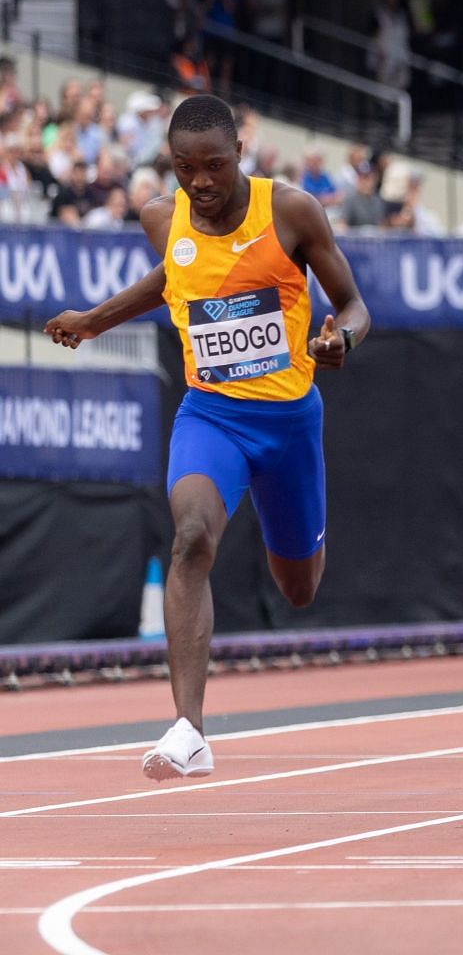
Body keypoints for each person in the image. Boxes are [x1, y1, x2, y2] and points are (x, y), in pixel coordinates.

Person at [44, 95, 370, 781]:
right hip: (211, 415)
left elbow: (353, 302)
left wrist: (343, 335)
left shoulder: (290, 210)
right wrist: (95, 320)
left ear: (239, 156)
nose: (201, 182)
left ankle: (306, 536)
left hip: (287, 424)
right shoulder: (160, 216)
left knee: (299, 588)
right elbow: (176, 280)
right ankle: (189, 730)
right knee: (191, 536)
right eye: (186, 167)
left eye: (214, 165)